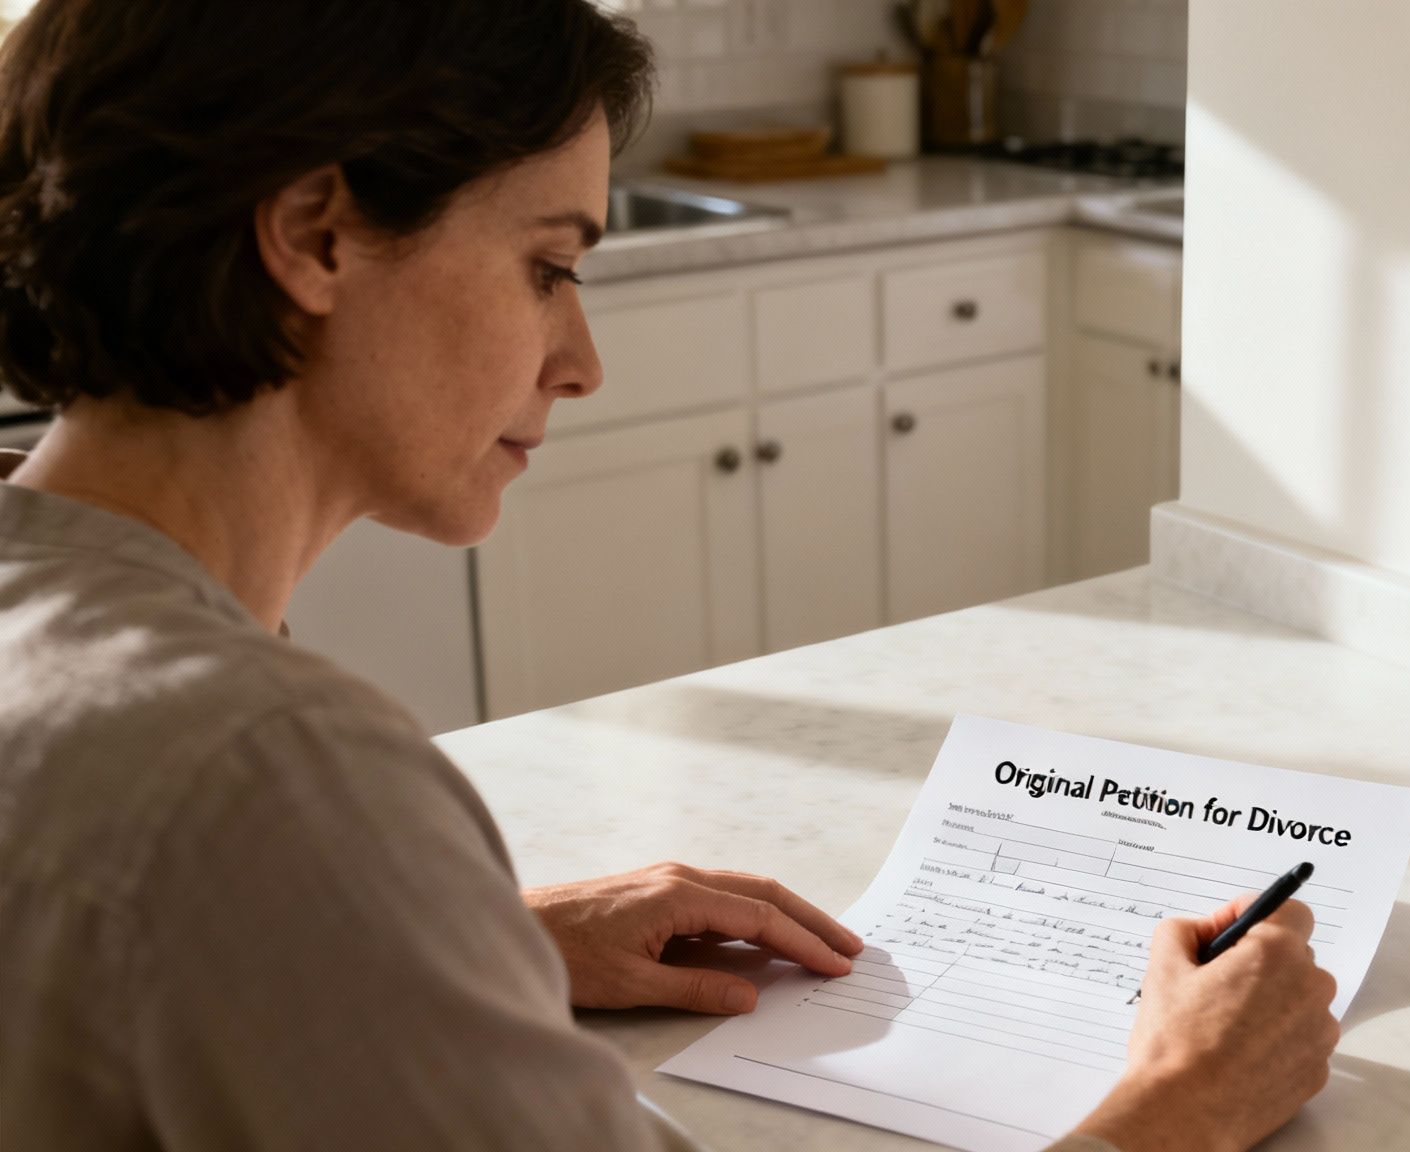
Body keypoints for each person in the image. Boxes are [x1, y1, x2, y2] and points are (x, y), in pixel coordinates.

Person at [0, 2, 1342, 1150]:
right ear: (314, 234)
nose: (580, 360)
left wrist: (455, 939)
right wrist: (1184, 1102)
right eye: (548, 266)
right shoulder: (268, 774)